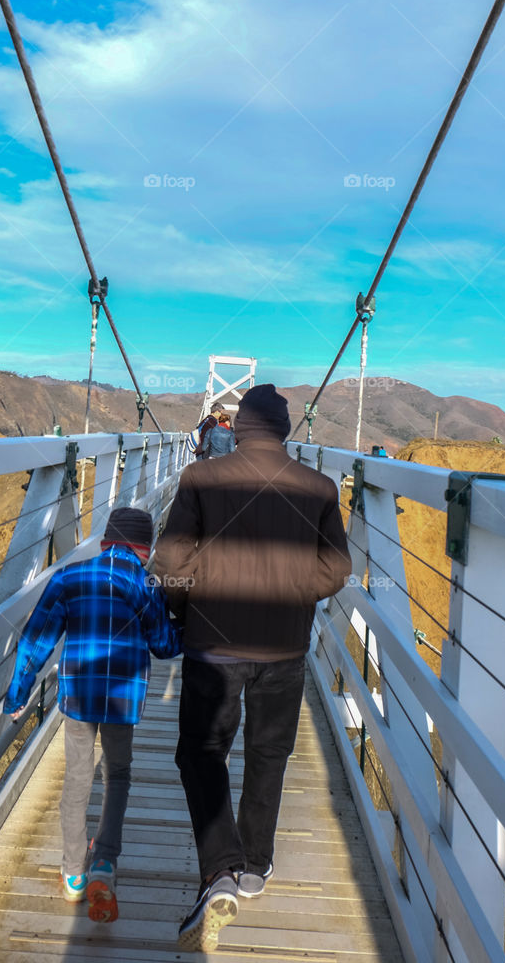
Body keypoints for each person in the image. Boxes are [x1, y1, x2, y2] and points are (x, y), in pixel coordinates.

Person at [154, 383, 352, 951]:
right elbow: (336, 569)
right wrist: (294, 592)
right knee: (269, 754)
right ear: (286, 431)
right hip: (285, 650)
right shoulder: (318, 488)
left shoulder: (200, 479)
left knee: (201, 752)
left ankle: (218, 869)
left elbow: (170, 560)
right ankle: (255, 866)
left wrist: (181, 604)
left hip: (212, 648)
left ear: (238, 429)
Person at [3, 506, 181, 922]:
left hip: (78, 696)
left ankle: (72, 874)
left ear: (105, 542)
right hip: (123, 698)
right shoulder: (145, 584)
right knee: (117, 774)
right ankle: (104, 862)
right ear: (145, 549)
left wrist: (18, 696)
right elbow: (164, 645)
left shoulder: (68, 576)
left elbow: (36, 639)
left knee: (78, 775)